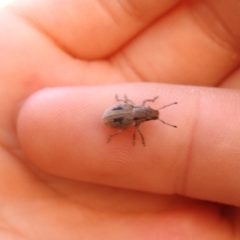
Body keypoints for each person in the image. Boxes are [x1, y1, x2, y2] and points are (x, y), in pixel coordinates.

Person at [1, 0, 240, 238]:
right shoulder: (133, 116)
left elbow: (142, 113)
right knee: (124, 126)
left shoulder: (137, 113)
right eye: (149, 115)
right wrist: (131, 135)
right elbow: (134, 119)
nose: (150, 115)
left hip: (115, 114)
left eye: (150, 116)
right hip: (111, 118)